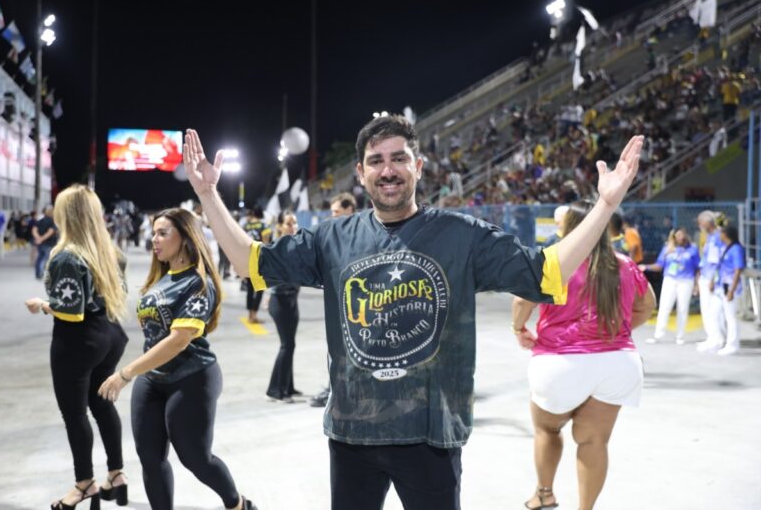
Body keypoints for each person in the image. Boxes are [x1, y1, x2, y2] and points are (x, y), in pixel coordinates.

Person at [182, 119, 643, 510]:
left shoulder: (462, 237)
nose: (388, 170)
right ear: (360, 174)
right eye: (377, 161)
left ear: (418, 167)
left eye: (399, 158)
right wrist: (208, 196)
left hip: (430, 435)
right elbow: (250, 263)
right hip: (352, 432)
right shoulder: (331, 239)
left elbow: (545, 273)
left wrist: (604, 206)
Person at [97, 208, 257, 510]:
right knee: (150, 458)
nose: (154, 239)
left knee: (195, 458)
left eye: (162, 233)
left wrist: (125, 373)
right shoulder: (160, 279)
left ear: (185, 238)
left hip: (192, 377)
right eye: (153, 232)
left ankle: (237, 504)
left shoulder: (198, 284)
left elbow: (179, 339)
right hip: (152, 378)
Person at [511, 201, 656, 510]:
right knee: (594, 442)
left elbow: (521, 302)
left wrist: (519, 329)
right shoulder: (624, 264)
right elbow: (646, 305)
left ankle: (544, 494)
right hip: (617, 363)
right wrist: (619, 330)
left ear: (567, 228)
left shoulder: (554, 261)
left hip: (559, 362)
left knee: (547, 429)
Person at [23, 185, 130, 510]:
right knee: (101, 405)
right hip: (110, 333)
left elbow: (71, 310)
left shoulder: (68, 256)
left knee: (74, 414)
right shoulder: (110, 252)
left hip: (78, 339)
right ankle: (117, 476)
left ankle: (84, 485)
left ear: (65, 215)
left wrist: (42, 304)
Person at [310, 192, 357, 408]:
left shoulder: (362, 234)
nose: (333, 216)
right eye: (331, 212)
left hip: (361, 306)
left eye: (337, 212)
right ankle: (333, 388)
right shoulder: (332, 235)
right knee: (336, 349)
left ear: (350, 210)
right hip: (340, 303)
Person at [266, 210, 303, 402]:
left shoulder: (294, 245)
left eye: (295, 223)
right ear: (280, 226)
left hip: (291, 300)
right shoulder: (278, 246)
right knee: (286, 345)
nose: (293, 227)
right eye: (289, 223)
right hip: (281, 300)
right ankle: (276, 390)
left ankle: (287, 386)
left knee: (290, 345)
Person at [640, 227, 700, 345]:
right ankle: (658, 335)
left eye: (683, 235)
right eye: (678, 235)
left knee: (682, 308)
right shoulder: (668, 249)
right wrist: (646, 267)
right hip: (670, 280)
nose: (681, 237)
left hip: (686, 281)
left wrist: (696, 285)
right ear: (674, 237)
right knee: (664, 306)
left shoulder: (692, 249)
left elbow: (698, 268)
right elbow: (659, 265)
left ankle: (680, 336)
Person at [711, 225, 746, 355]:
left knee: (730, 317)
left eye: (721, 233)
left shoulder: (736, 249)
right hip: (721, 286)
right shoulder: (725, 247)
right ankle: (718, 340)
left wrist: (732, 290)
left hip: (730, 287)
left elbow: (738, 270)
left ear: (726, 234)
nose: (719, 235)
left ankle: (732, 344)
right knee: (714, 313)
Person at [695, 211, 726, 352]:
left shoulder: (718, 237)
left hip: (711, 279)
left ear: (707, 223)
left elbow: (717, 260)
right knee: (707, 309)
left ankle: (717, 339)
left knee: (712, 310)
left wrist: (713, 279)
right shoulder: (711, 237)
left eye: (701, 223)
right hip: (706, 276)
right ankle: (712, 337)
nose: (700, 226)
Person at [241, 205, 271, 323]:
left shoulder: (245, 226)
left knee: (249, 289)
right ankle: (254, 315)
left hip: (247, 260)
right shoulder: (264, 226)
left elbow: (242, 244)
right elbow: (265, 245)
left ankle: (249, 315)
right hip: (259, 261)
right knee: (259, 288)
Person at [33, 205, 59, 279]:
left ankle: (38, 273)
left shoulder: (40, 220)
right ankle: (43, 274)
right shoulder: (52, 221)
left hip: (40, 244)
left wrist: (38, 238)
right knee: (46, 259)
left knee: (40, 258)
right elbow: (50, 232)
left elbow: (34, 230)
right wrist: (41, 239)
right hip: (49, 243)